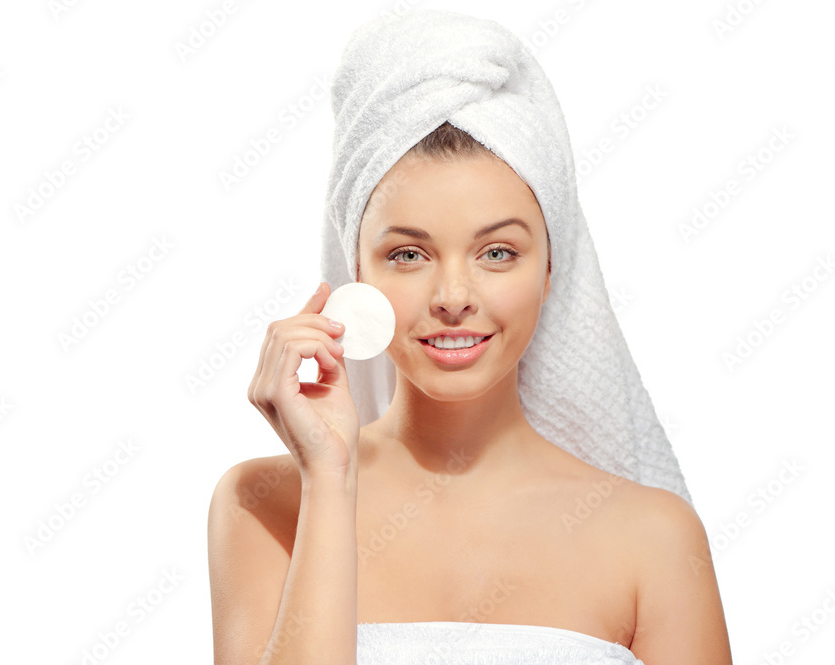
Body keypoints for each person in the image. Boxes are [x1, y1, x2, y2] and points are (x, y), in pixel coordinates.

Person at [209, 10, 731, 665]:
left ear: (551, 268)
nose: (453, 296)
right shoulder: (266, 506)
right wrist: (330, 479)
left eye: (497, 252)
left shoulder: (653, 537)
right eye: (408, 255)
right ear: (356, 272)